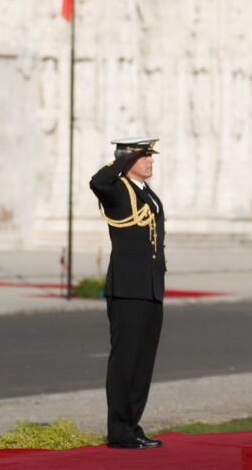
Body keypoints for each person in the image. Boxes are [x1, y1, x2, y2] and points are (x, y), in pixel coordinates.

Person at [89, 137, 166, 449]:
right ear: (129, 159)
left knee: (143, 361)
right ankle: (119, 431)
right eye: (144, 156)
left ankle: (132, 425)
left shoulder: (147, 193)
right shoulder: (116, 189)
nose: (150, 161)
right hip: (127, 288)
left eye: (150, 156)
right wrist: (121, 159)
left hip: (149, 287)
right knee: (125, 360)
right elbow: (97, 181)